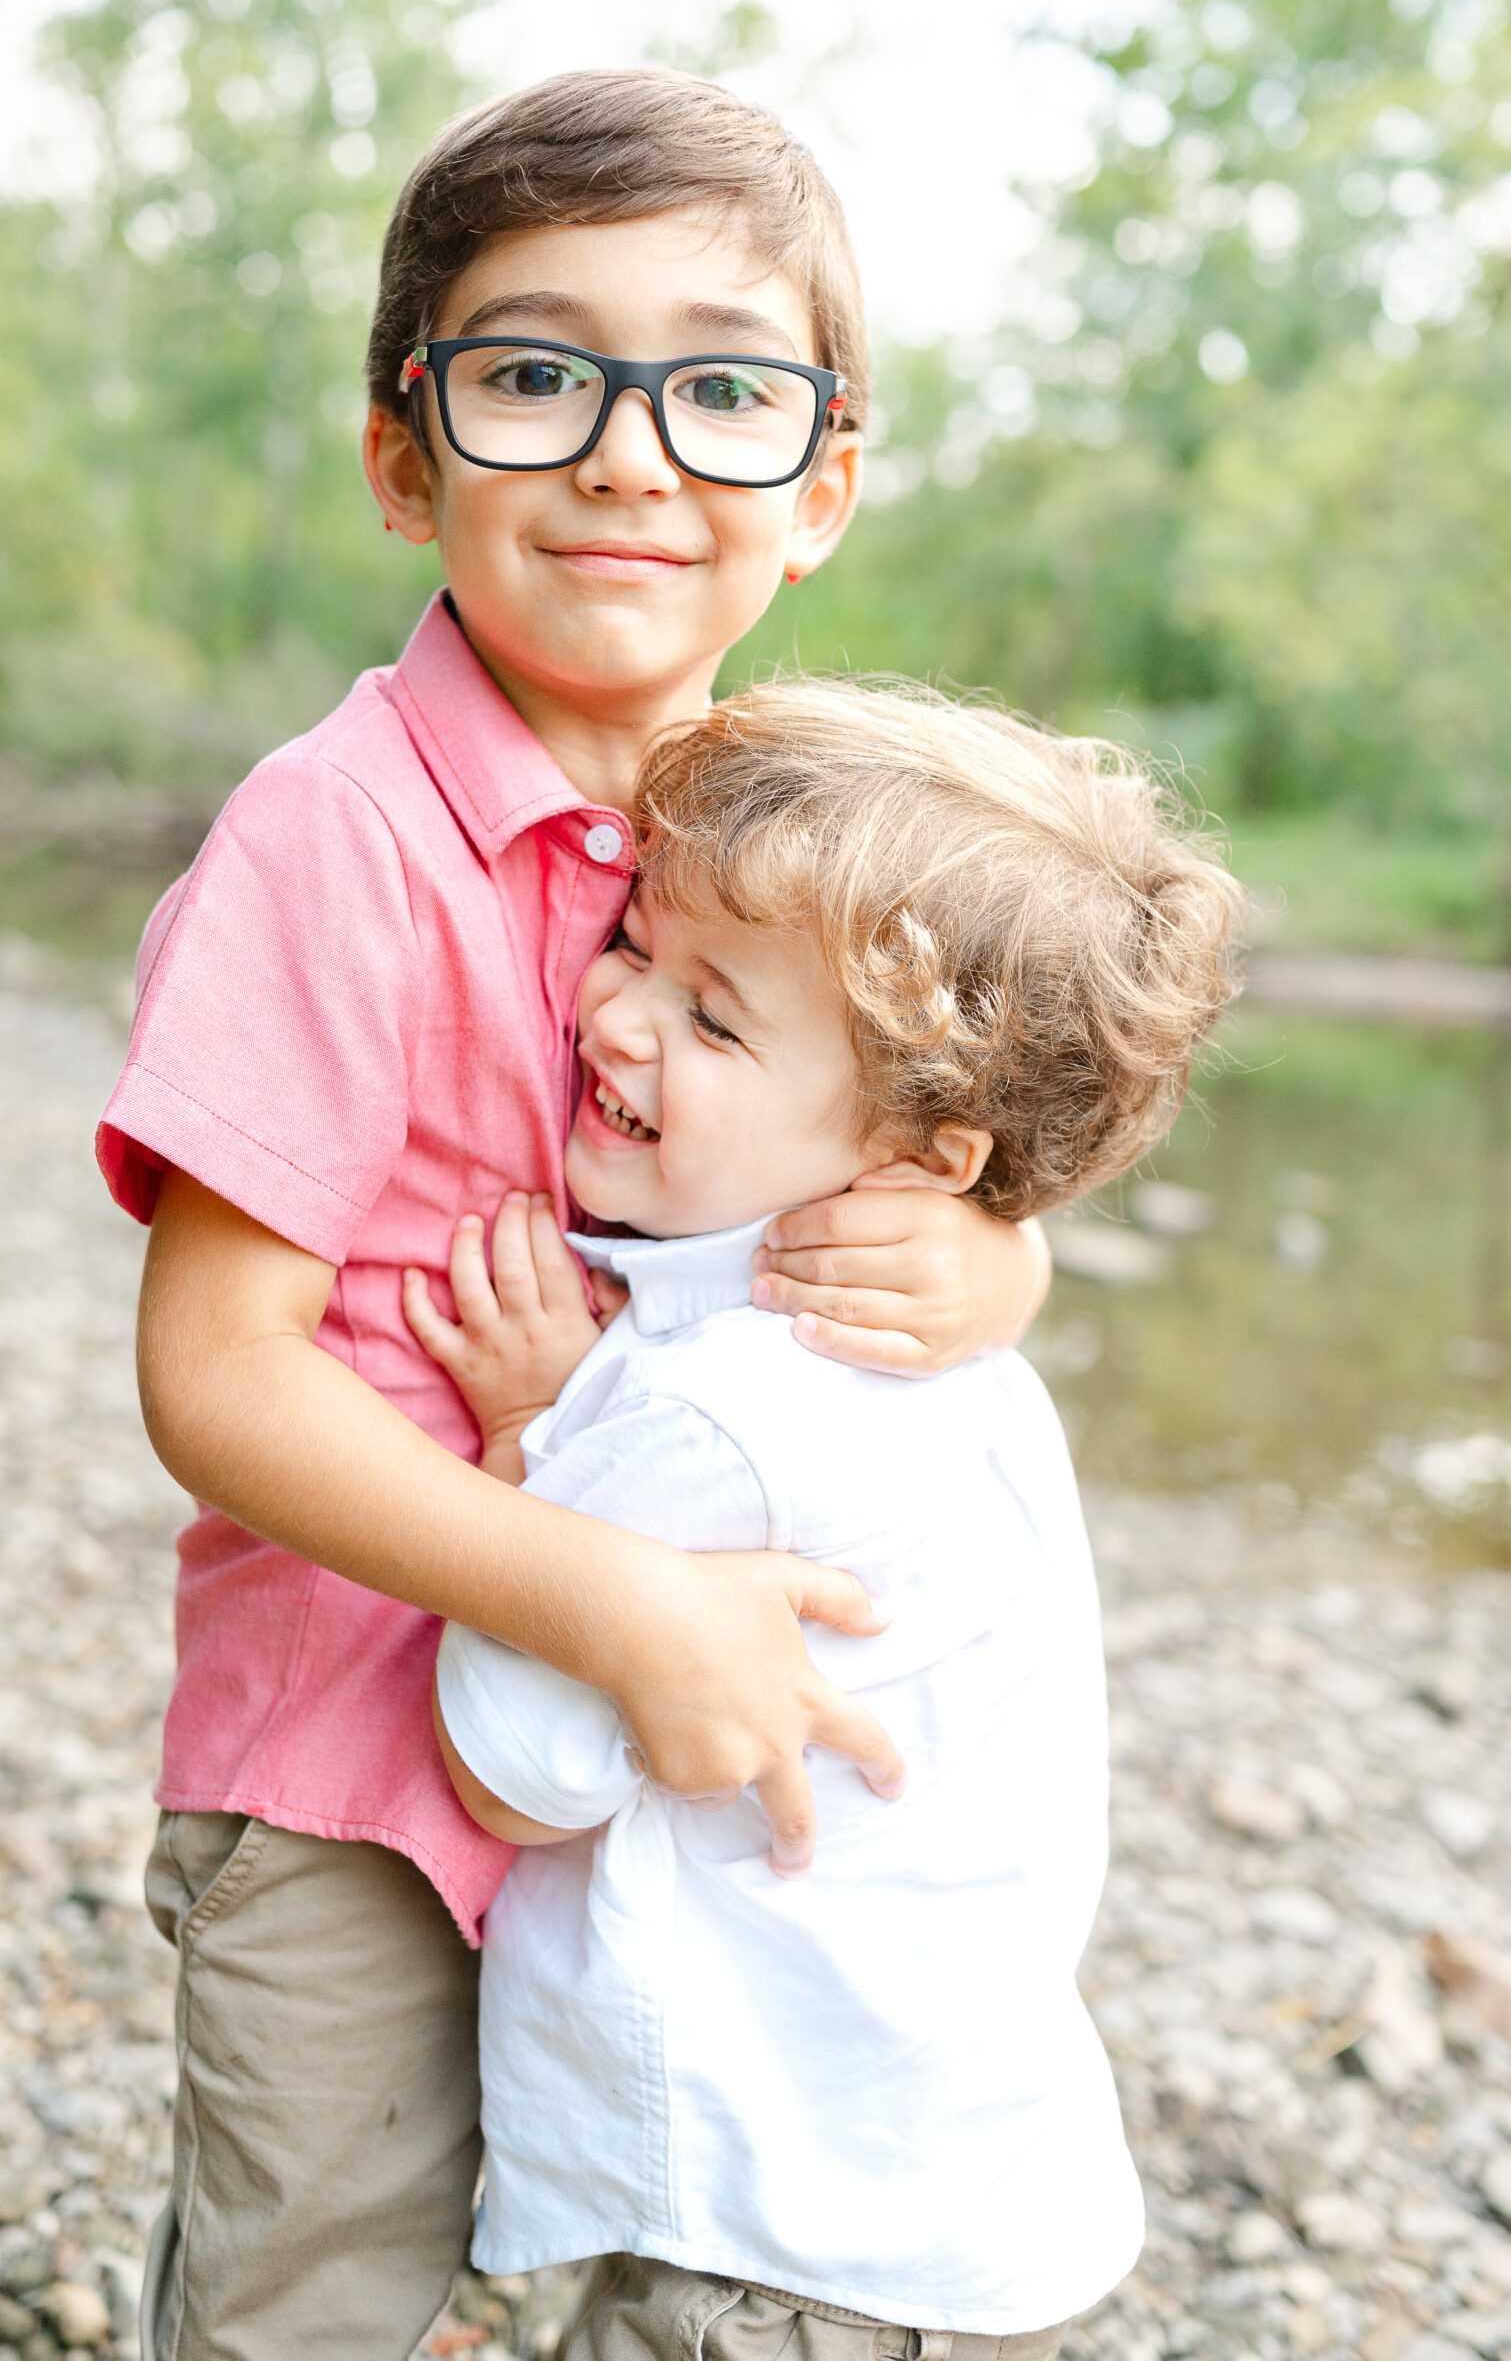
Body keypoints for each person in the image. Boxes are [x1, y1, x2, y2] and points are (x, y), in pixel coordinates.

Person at [99, 70, 1053, 2361]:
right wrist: (613, 1595)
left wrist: (995, 1255)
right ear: (406, 452)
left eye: (720, 388)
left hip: (665, 1764)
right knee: (319, 2267)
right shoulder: (335, 838)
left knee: (674, 2248)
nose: (631, 451)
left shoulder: (823, 842)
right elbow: (212, 1374)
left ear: (819, 487)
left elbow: (933, 1154)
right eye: (537, 374)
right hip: (360, 1757)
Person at [424, 681, 1245, 2360]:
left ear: (919, 1156)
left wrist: (523, 1431)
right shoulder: (970, 1372)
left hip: (762, 2203)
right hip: (943, 2172)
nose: (616, 1017)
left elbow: (513, 1770)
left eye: (717, 1024)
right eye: (637, 946)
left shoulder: (706, 1412)